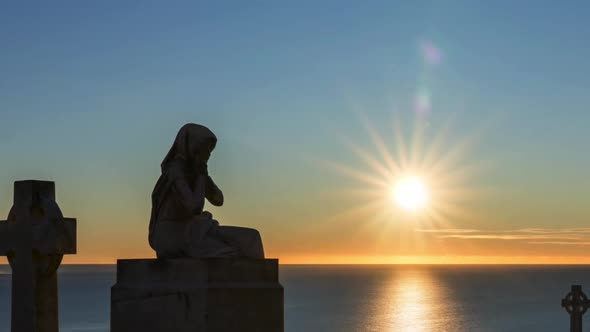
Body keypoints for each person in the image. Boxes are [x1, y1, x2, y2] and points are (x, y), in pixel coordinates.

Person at [148, 123, 265, 259]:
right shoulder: (175, 171)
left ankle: (261, 279)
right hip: (174, 234)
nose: (207, 155)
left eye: (209, 151)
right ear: (192, 147)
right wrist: (200, 176)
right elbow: (194, 207)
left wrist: (204, 176)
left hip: (195, 229)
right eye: (204, 149)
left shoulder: (197, 170)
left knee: (251, 238)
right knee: (231, 254)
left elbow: (218, 200)